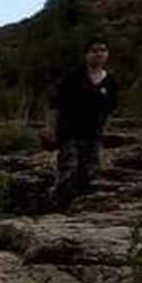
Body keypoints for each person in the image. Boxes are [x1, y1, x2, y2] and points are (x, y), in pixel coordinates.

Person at [44, 39, 119, 208]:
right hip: (69, 131)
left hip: (93, 134)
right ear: (86, 54)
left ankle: (82, 207)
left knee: (89, 173)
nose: (99, 54)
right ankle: (59, 206)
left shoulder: (110, 81)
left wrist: (104, 133)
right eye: (94, 50)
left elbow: (110, 110)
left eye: (103, 50)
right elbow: (55, 104)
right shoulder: (73, 77)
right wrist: (50, 128)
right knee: (68, 170)